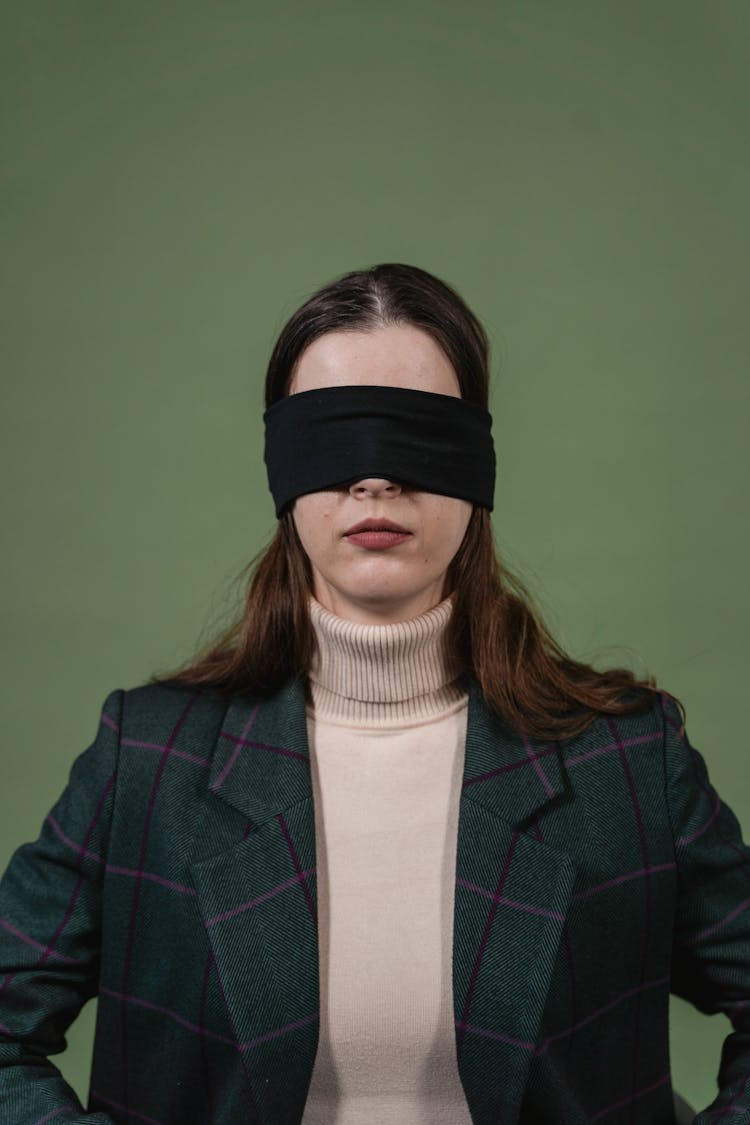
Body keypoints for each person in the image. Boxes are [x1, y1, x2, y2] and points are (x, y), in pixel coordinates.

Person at [0, 263, 747, 1125]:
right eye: (333, 437)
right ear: (283, 469)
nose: (375, 480)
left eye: (418, 435)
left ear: (479, 467)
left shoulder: (627, 761)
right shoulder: (146, 759)